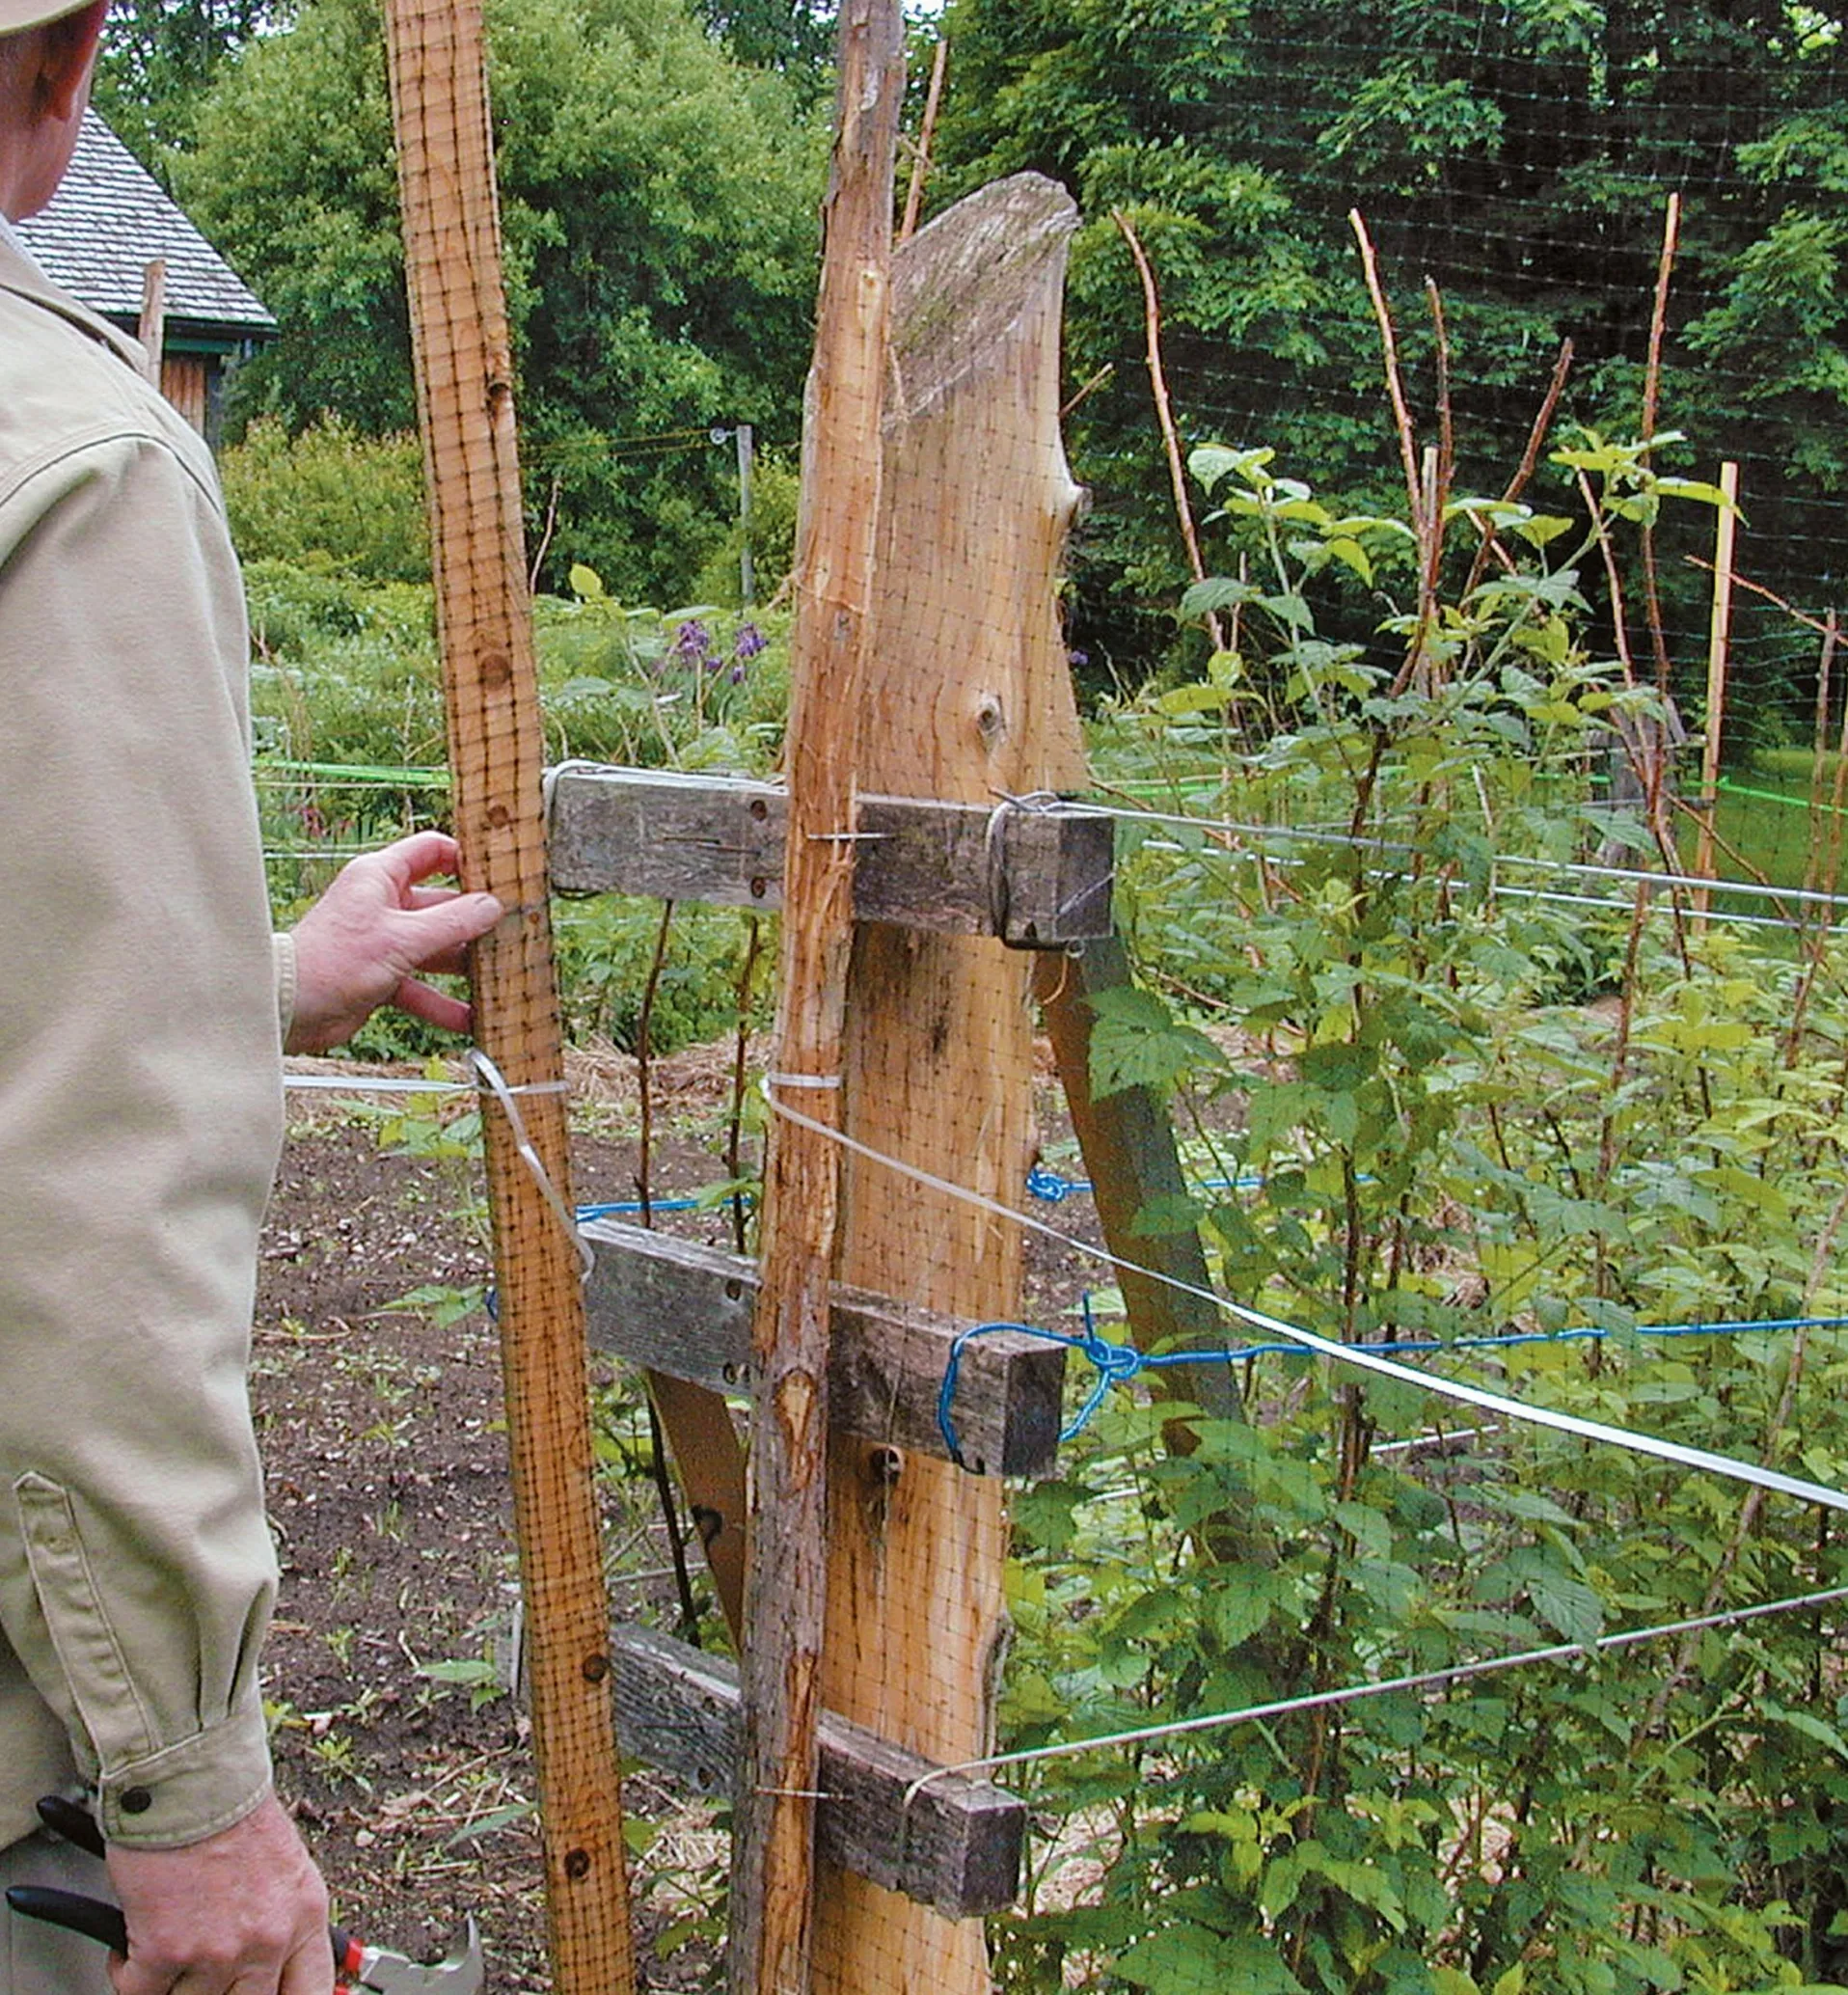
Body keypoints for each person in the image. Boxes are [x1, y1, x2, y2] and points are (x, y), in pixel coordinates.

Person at [0, 3, 504, 1989]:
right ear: (72, 65)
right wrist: (188, 1783)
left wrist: (255, 980)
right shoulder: (73, 464)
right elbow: (85, 1197)